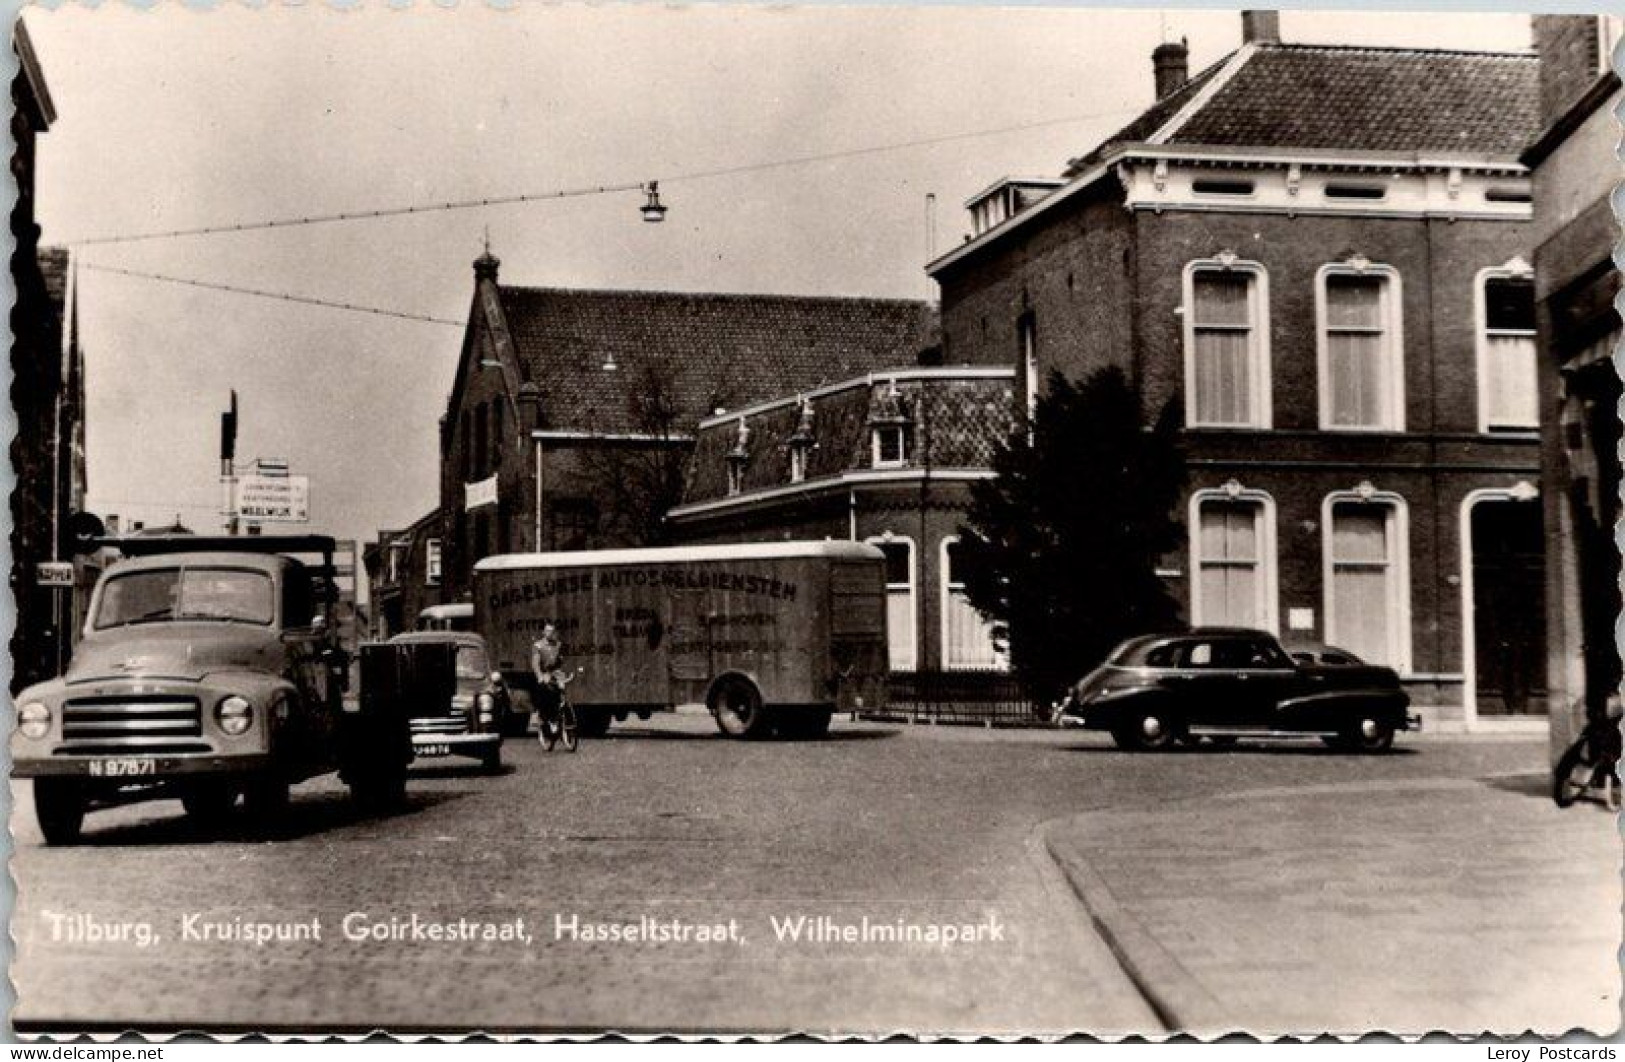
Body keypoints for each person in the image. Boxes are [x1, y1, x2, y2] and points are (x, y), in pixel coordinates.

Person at [529, 624, 568, 741]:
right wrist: (540, 677)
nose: (550, 633)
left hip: (555, 673)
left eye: (552, 631)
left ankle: (561, 712)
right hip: (544, 673)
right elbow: (535, 663)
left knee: (561, 689)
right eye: (548, 631)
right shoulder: (538, 646)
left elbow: (561, 661)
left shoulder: (558, 645)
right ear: (544, 632)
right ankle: (549, 719)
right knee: (548, 693)